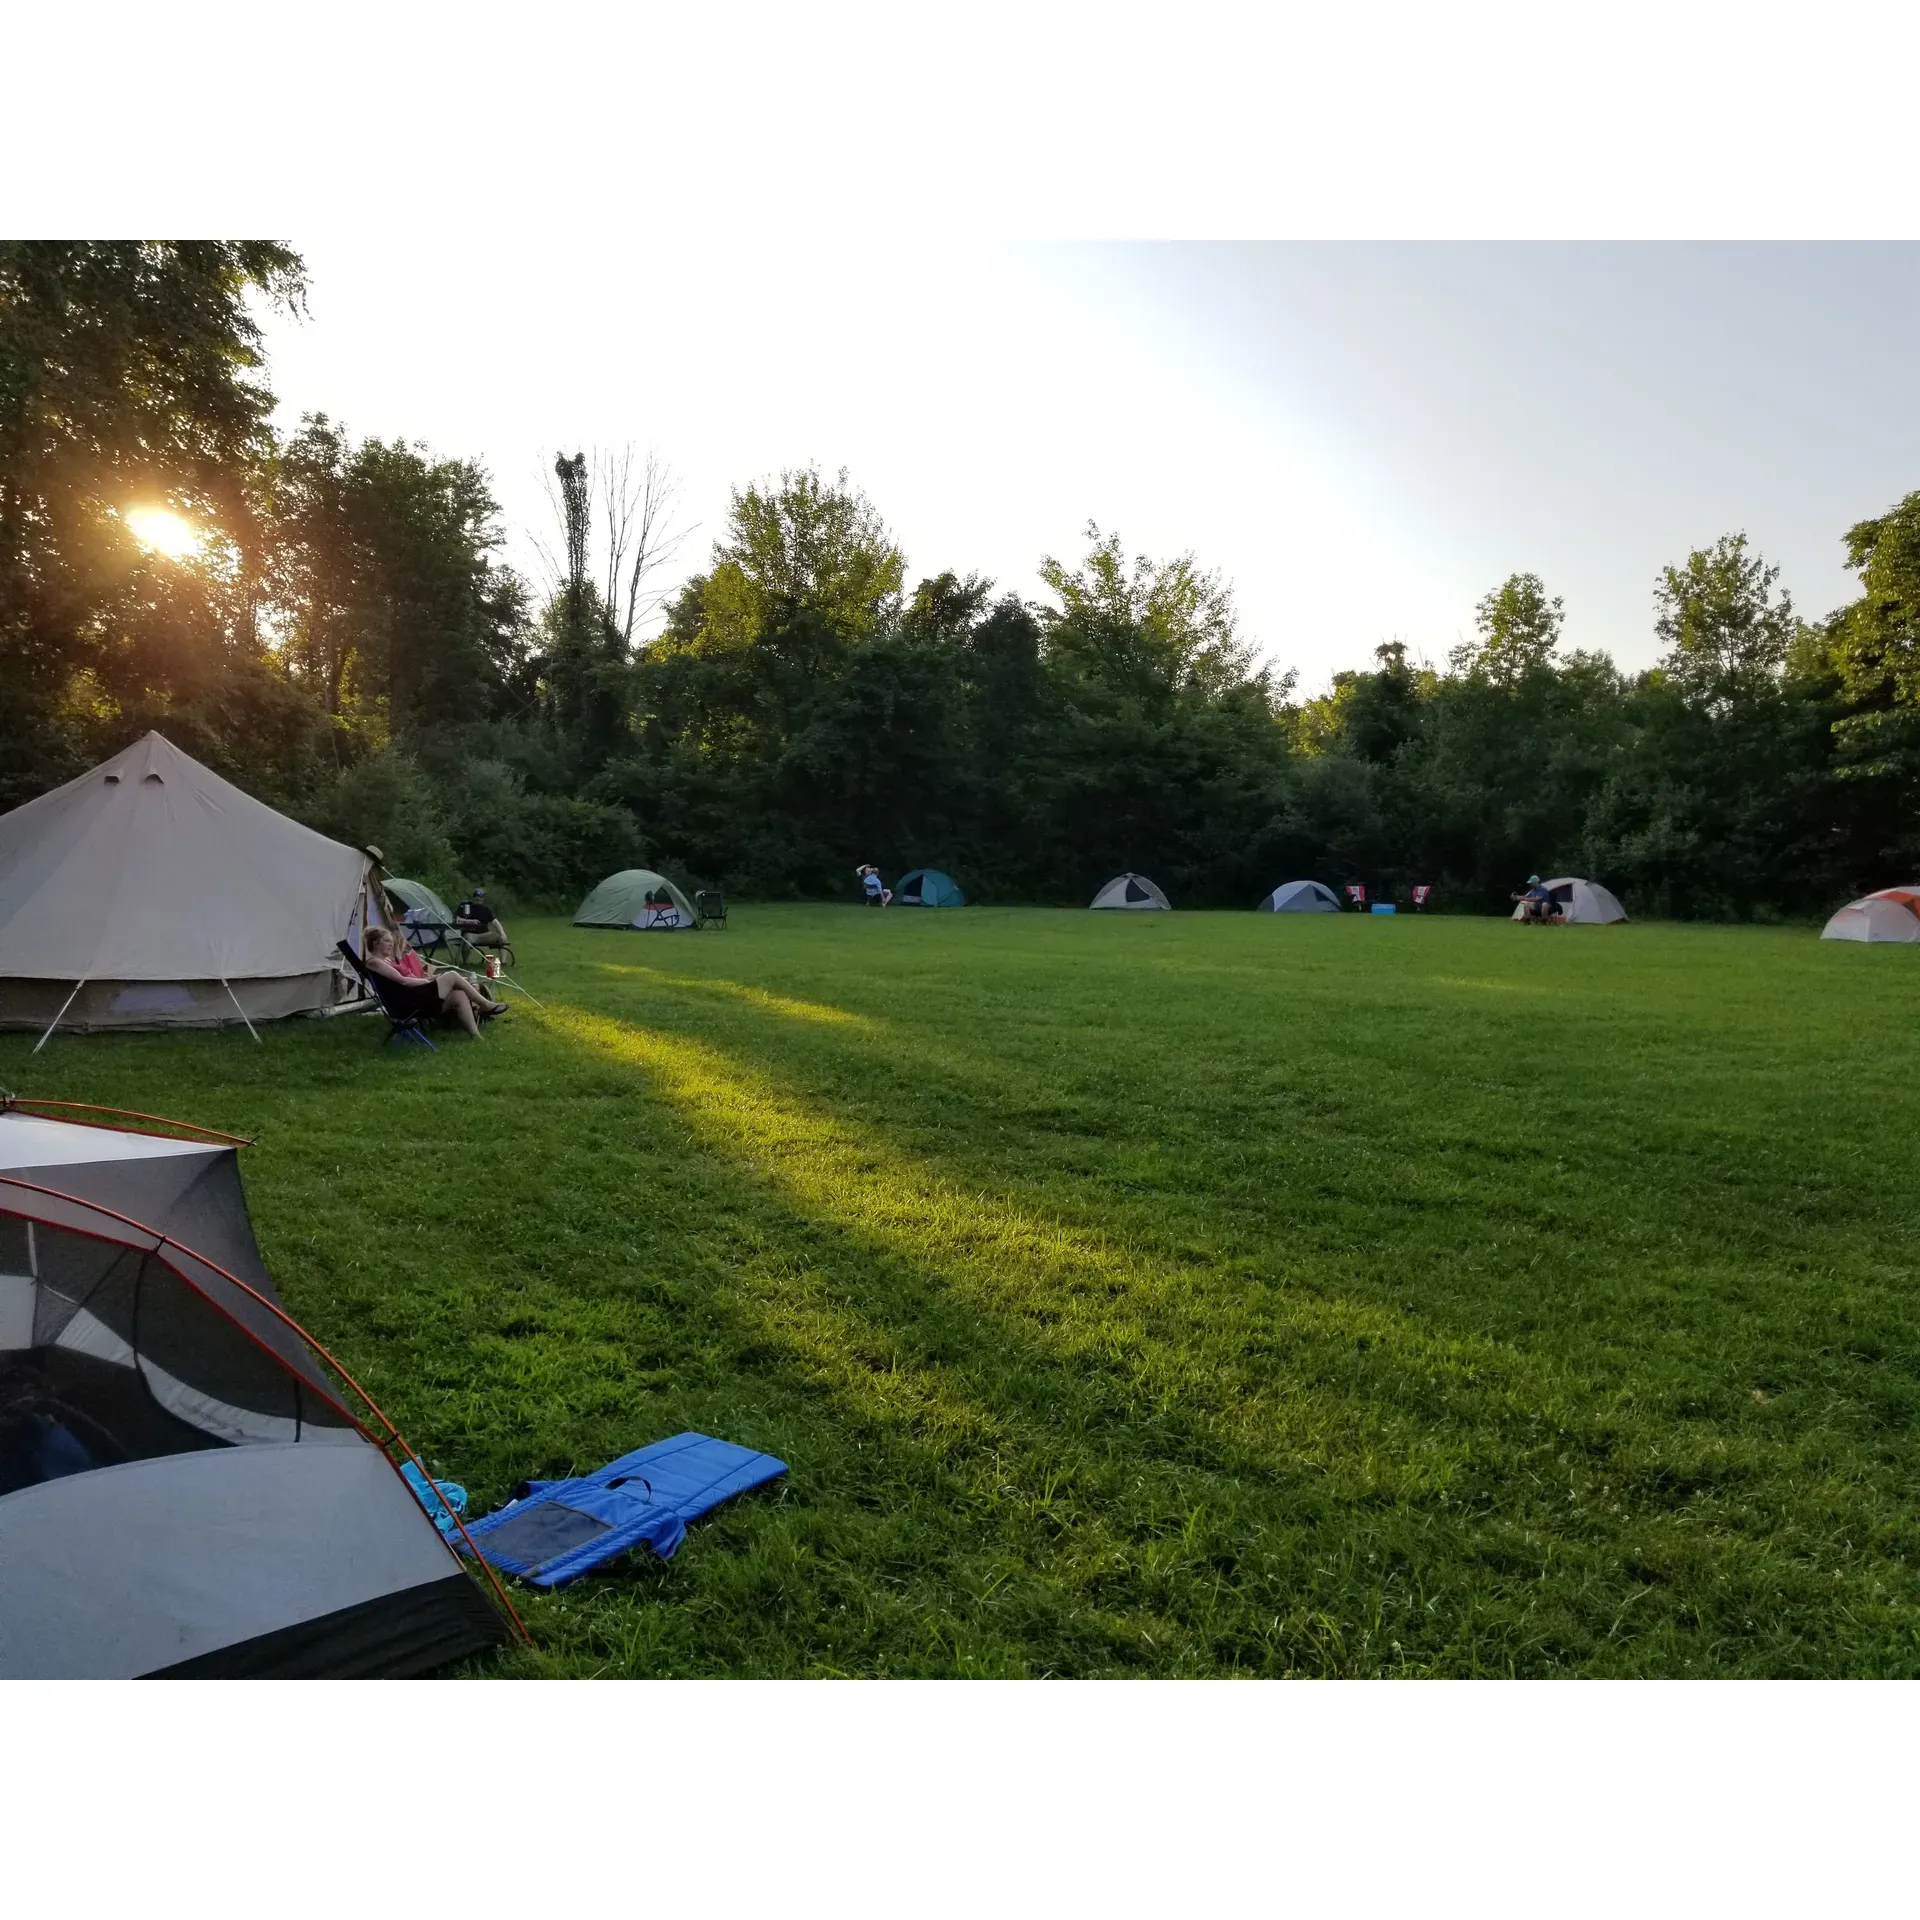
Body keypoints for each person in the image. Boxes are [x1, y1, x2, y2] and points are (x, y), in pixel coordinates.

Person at [363, 925, 503, 1036]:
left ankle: (476, 1035)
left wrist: (430, 979)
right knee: (452, 975)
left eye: (392, 942)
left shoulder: (384, 961)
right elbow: (403, 981)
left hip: (413, 997)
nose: (391, 945)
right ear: (375, 943)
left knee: (458, 994)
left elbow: (407, 980)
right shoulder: (374, 962)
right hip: (408, 1004)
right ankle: (485, 1004)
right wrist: (426, 983)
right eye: (387, 941)